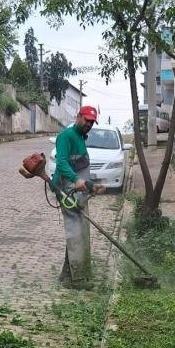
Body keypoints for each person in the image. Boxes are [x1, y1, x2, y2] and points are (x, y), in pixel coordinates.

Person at [52, 105, 104, 288]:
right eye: (87, 120)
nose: (89, 124)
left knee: (80, 231)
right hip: (66, 188)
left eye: (92, 122)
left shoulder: (82, 137)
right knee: (75, 231)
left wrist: (91, 185)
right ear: (79, 116)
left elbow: (81, 168)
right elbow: (62, 162)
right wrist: (75, 180)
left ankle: (67, 274)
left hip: (76, 188)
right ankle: (76, 280)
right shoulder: (66, 137)